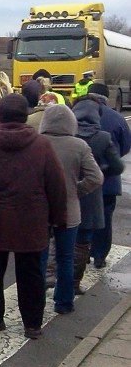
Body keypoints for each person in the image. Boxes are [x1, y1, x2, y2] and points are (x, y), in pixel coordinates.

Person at [0, 93, 67, 340]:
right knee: (31, 274)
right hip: (31, 220)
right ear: (26, 115)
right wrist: (59, 219)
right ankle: (32, 325)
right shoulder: (42, 145)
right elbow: (55, 185)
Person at [38, 104, 103, 314]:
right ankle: (64, 302)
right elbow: (96, 177)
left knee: (40, 257)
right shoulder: (79, 145)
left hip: (41, 210)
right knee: (65, 258)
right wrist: (77, 190)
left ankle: (36, 301)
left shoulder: (37, 143)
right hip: (69, 210)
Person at [71, 98, 124, 291]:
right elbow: (118, 165)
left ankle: (56, 279)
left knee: (63, 237)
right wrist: (100, 171)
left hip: (66, 193)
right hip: (92, 193)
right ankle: (77, 280)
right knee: (84, 239)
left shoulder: (67, 134)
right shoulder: (102, 137)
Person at [86, 83, 131, 268]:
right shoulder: (117, 118)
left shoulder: (74, 114)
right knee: (104, 218)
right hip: (108, 179)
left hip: (81, 178)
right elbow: (126, 146)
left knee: (79, 216)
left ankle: (82, 252)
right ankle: (99, 256)